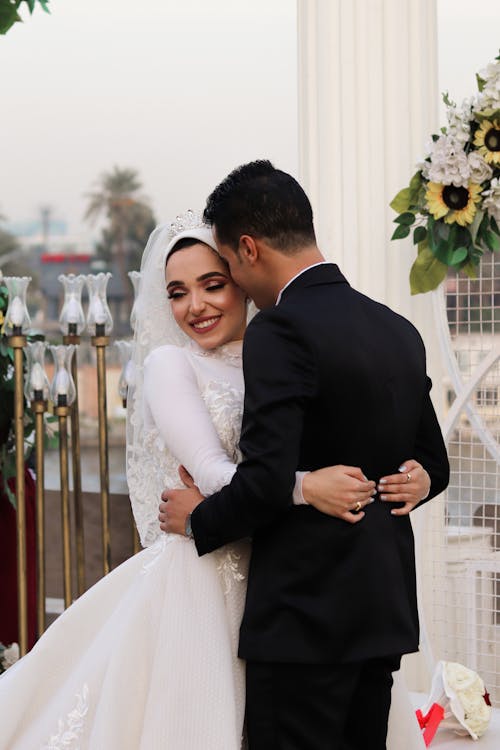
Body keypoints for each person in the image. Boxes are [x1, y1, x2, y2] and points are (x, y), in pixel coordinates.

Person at [0, 213, 417, 749]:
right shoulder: (172, 366)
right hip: (209, 575)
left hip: (296, 574)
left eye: (212, 285)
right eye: (178, 293)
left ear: (242, 280)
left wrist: (416, 472)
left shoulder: (287, 355)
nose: (195, 306)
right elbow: (215, 473)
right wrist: (305, 487)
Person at [160, 162, 450, 750]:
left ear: (247, 249)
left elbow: (266, 480)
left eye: (229, 269)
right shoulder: (397, 329)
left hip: (303, 619)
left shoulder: (281, 329)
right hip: (382, 610)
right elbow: (432, 463)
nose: (237, 285)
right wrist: (418, 483)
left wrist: (196, 519)